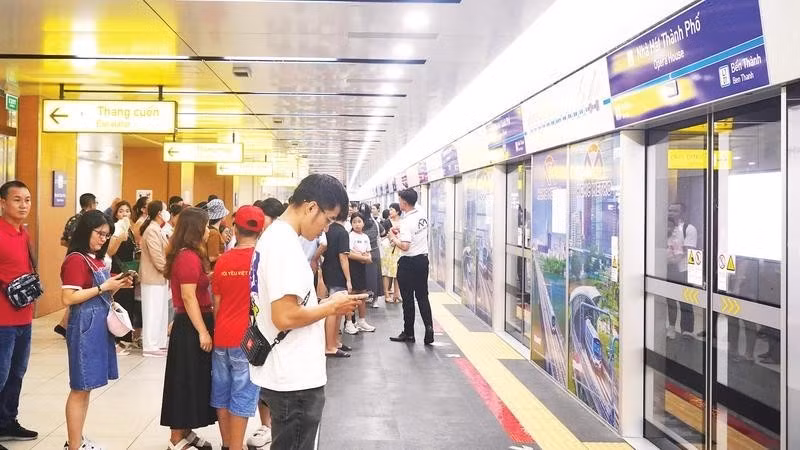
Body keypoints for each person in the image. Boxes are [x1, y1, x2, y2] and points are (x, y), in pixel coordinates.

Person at [250, 174, 364, 450]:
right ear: (311, 207)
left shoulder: (274, 238)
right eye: (327, 219)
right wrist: (331, 306)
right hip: (293, 378)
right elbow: (285, 316)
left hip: (285, 369)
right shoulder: (284, 246)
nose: (325, 230)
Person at [60, 210, 133, 450]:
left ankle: (77, 439)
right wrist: (104, 287)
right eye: (99, 233)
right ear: (85, 231)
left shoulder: (94, 258)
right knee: (80, 387)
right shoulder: (76, 259)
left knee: (87, 385)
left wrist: (116, 285)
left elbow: (99, 292)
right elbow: (68, 297)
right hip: (84, 325)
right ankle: (73, 444)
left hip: (97, 322)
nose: (103, 239)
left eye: (107, 235)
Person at [160, 207, 215, 450]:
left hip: (191, 321)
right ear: (195, 229)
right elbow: (189, 297)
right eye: (205, 226)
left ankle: (186, 430)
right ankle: (175, 438)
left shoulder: (190, 255)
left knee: (193, 378)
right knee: (183, 379)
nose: (208, 231)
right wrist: (203, 331)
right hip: (192, 325)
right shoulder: (187, 258)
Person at [211, 206, 265, 450]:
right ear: (260, 230)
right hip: (250, 338)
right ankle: (236, 446)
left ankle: (227, 443)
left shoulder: (223, 260)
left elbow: (217, 304)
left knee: (222, 391)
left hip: (222, 334)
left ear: (235, 229)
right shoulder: (262, 261)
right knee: (243, 392)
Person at [0, 181, 38, 448]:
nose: (24, 205)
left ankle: (7, 422)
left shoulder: (23, 233)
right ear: (3, 203)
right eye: (17, 200)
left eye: (27, 199)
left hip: (24, 316)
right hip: (2, 319)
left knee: (17, 372)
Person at [245, 198, 285, 450]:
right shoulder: (258, 244)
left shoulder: (280, 244)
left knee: (273, 376)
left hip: (275, 323)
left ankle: (272, 425)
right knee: (260, 374)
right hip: (256, 320)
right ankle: (266, 425)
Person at [389, 189, 433, 345]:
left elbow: (405, 246)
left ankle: (409, 333)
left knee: (408, 299)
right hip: (423, 261)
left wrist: (393, 237)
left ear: (404, 203)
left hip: (408, 263)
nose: (399, 202)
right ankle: (429, 330)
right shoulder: (421, 213)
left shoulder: (407, 222)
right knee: (422, 296)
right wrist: (399, 229)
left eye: (400, 200)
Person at [55, 192, 98, 338]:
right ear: (92, 204)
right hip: (81, 260)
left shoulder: (73, 219)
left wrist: (72, 246)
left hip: (71, 256)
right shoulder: (88, 222)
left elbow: (62, 240)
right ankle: (68, 326)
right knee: (78, 294)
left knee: (75, 291)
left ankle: (63, 325)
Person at [107, 201, 141, 353]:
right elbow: (111, 251)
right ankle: (118, 339)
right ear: (116, 214)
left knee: (129, 304)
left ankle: (126, 338)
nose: (125, 214)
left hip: (130, 270)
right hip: (118, 270)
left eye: (127, 211)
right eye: (121, 211)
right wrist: (120, 237)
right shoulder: (115, 229)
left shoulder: (130, 230)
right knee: (120, 303)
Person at [140, 201, 170, 357]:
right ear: (159, 213)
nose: (167, 212)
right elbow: (157, 256)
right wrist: (168, 270)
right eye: (165, 210)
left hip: (161, 278)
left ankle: (159, 343)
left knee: (160, 312)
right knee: (152, 312)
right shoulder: (152, 230)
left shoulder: (158, 229)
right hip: (153, 278)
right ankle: (150, 345)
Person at [322, 210, 357, 342]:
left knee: (332, 307)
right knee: (335, 310)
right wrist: (348, 279)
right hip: (338, 274)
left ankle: (334, 342)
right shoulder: (342, 233)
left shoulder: (327, 229)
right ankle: (333, 343)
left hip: (327, 270)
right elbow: (343, 257)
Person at [665, 202, 698, 339]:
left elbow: (689, 249)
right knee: (670, 300)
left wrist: (674, 258)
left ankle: (687, 330)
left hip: (683, 270)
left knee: (685, 300)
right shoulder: (666, 227)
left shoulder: (689, 229)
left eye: (675, 211)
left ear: (682, 213)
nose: (671, 213)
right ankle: (671, 328)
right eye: (670, 210)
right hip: (668, 268)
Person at [348, 213, 376, 332]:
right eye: (354, 222)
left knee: (363, 294)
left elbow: (369, 253)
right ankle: (349, 322)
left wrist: (366, 257)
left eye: (359, 221)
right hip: (352, 267)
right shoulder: (350, 236)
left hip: (363, 267)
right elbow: (348, 252)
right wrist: (362, 257)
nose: (357, 224)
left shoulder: (365, 237)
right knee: (352, 295)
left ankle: (362, 321)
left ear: (363, 223)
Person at [357, 203, 383, 307]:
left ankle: (364, 296)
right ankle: (375, 299)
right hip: (374, 251)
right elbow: (383, 232)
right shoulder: (375, 223)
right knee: (375, 276)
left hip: (359, 253)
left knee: (362, 275)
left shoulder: (358, 223)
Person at [381, 205, 402, 303]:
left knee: (397, 272)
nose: (390, 211)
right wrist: (391, 239)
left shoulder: (403, 223)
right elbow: (383, 235)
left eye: (392, 209)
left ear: (397, 212)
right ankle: (386, 294)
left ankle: (396, 294)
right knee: (386, 272)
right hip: (388, 249)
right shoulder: (386, 222)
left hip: (399, 249)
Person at [205, 199, 230, 268]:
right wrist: (228, 255)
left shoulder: (213, 230)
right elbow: (212, 257)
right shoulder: (214, 233)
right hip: (214, 269)